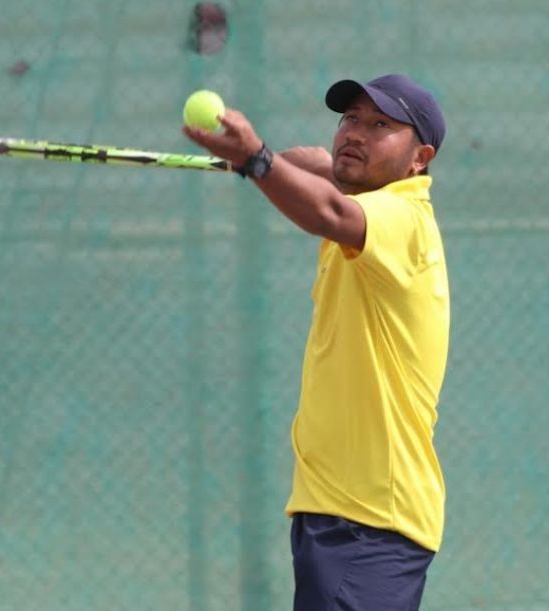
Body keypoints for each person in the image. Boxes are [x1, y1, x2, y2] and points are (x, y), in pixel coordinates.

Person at [183, 74, 450, 610]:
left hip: (370, 520)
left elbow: (330, 212)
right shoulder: (370, 208)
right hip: (340, 514)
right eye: (351, 119)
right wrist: (299, 166)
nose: (356, 132)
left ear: (419, 159)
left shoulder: (401, 218)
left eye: (381, 125)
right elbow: (324, 177)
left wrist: (258, 160)